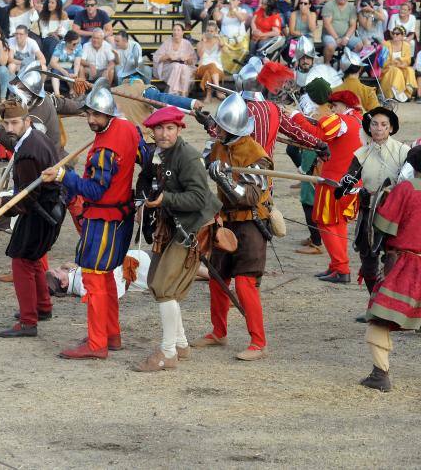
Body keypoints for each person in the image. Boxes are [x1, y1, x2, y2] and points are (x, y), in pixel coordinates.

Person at [41, 79, 146, 360]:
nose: (91, 120)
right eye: (88, 114)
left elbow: (94, 190)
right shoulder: (128, 128)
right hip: (121, 215)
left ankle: (97, 343)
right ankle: (111, 335)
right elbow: (142, 156)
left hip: (104, 219)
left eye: (96, 115)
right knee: (107, 277)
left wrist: (65, 176)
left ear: (108, 114)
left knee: (95, 280)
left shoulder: (103, 151)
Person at [131, 106, 221, 372]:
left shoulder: (189, 157)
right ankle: (180, 343)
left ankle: (168, 353)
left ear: (179, 129)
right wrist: (141, 202)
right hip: (171, 225)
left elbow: (199, 198)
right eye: (158, 128)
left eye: (169, 128)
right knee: (155, 282)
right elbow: (145, 180)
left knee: (164, 286)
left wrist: (165, 199)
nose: (163, 133)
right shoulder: (157, 154)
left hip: (194, 228)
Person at [192, 93, 273, 361]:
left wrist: (225, 177)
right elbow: (208, 158)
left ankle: (258, 342)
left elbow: (249, 196)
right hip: (224, 222)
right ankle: (219, 331)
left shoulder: (258, 156)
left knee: (245, 284)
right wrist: (207, 126)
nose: (219, 131)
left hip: (250, 222)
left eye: (223, 127)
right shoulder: (220, 144)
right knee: (217, 278)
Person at [0, 100, 65, 337]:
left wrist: (5, 205)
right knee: (34, 259)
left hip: (40, 212)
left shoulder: (28, 152)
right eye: (6, 123)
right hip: (49, 208)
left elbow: (28, 197)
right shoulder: (35, 139)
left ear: (27, 121)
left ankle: (28, 321)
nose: (9, 128)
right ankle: (42, 308)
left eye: (14, 122)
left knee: (21, 261)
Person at [358, 146, 421, 392]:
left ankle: (379, 374)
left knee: (380, 319)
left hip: (407, 264)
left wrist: (371, 203)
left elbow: (382, 224)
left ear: (412, 166)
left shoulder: (405, 189)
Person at [289, 81, 363, 283]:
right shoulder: (358, 119)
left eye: (334, 106)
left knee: (326, 223)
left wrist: (295, 117)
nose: (331, 110)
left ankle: (341, 268)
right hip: (350, 182)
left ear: (343, 106)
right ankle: (337, 266)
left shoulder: (342, 120)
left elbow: (317, 137)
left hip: (334, 181)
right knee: (337, 224)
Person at [335, 107, 408, 296]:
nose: (378, 129)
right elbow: (343, 186)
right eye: (374, 124)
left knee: (396, 262)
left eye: (384, 125)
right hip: (369, 213)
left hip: (397, 215)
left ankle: (393, 308)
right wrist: (345, 184)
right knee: (368, 264)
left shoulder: (403, 151)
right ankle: (375, 305)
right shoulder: (361, 154)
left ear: (391, 128)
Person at [151, 23, 196, 97]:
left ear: (182, 32)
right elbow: (157, 57)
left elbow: (192, 61)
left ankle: (182, 93)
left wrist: (187, 58)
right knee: (176, 66)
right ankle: (174, 93)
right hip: (168, 67)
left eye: (178, 30)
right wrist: (167, 56)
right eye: (174, 30)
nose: (176, 32)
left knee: (182, 67)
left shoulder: (187, 44)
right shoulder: (167, 43)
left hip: (183, 68)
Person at [321, 0, 361, 64]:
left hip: (346, 36)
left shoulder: (351, 8)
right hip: (330, 36)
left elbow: (353, 25)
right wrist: (336, 38)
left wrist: (346, 38)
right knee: (330, 46)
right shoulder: (329, 5)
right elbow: (327, 24)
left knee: (359, 45)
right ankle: (326, 65)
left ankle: (349, 64)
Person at [333, 47, 378, 112]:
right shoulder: (369, 92)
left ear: (343, 70)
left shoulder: (334, 91)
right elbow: (376, 115)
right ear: (360, 69)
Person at [380, 26, 416, 103]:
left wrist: (402, 63)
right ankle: (394, 95)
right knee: (396, 71)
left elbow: (408, 60)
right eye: (393, 33)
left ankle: (406, 95)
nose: (395, 35)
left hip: (401, 66)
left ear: (402, 36)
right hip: (389, 68)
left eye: (397, 34)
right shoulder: (386, 44)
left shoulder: (406, 45)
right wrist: (393, 62)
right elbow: (383, 61)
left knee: (410, 70)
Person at [196, 20, 224, 103]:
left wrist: (218, 37)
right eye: (207, 31)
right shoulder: (200, 43)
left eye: (211, 31)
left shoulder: (219, 42)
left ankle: (208, 96)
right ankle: (218, 90)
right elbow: (200, 55)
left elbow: (223, 47)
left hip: (218, 71)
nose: (209, 33)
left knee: (209, 71)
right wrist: (204, 42)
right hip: (202, 68)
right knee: (211, 65)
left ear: (215, 32)